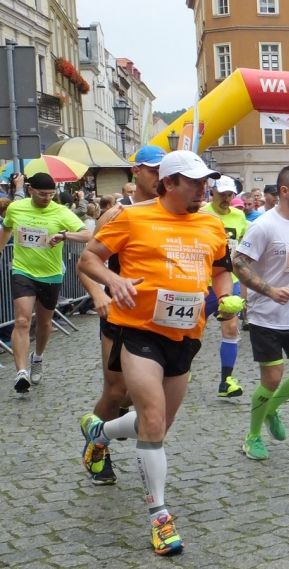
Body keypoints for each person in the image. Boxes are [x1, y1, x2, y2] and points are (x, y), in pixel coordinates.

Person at [77, 150, 233, 556]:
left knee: (158, 427)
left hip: (186, 335)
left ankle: (99, 433)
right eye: (194, 182)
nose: (203, 189)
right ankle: (160, 517)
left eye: (205, 182)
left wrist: (225, 297)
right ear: (169, 183)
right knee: (150, 416)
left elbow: (221, 269)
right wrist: (113, 281)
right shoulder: (132, 217)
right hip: (140, 331)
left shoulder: (212, 224)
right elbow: (89, 258)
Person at [77, 144, 166, 484]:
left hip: (159, 317)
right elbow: (87, 262)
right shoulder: (116, 213)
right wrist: (99, 293)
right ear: (136, 171)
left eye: (164, 172)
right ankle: (97, 447)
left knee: (139, 394)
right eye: (153, 170)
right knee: (116, 391)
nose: (160, 177)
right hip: (120, 313)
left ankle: (105, 426)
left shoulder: (174, 211)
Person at [232, 164, 289, 461]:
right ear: (284, 191)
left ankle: (272, 409)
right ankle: (253, 436)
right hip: (266, 317)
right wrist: (270, 291)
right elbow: (238, 263)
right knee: (271, 380)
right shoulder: (264, 226)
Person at [0, 173, 89, 393]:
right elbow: (7, 228)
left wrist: (64, 235)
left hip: (51, 274)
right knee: (22, 320)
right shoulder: (16, 208)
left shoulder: (60, 212)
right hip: (22, 270)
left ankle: (37, 357)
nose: (47, 198)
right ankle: (21, 372)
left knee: (44, 323)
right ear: (30, 190)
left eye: (51, 194)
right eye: (42, 194)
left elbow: (89, 234)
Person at [200, 175, 248, 397]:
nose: (226, 199)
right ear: (212, 192)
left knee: (230, 328)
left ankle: (226, 381)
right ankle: (183, 367)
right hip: (201, 282)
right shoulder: (201, 214)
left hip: (229, 281)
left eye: (230, 195)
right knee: (193, 331)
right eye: (222, 194)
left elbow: (243, 246)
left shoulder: (239, 216)